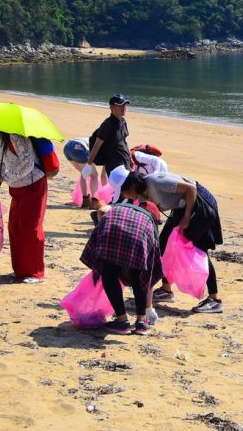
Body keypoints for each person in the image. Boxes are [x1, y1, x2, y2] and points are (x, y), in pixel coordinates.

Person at [80, 172, 162, 335]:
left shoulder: (121, 207)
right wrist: (149, 307)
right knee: (140, 276)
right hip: (138, 237)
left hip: (113, 230)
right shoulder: (148, 219)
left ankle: (122, 320)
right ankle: (141, 322)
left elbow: (103, 210)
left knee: (109, 273)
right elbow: (150, 274)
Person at [134, 171, 224, 313]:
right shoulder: (140, 192)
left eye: (125, 192)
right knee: (161, 244)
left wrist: (187, 218)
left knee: (200, 249)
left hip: (200, 204)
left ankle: (214, 299)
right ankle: (166, 290)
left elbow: (191, 189)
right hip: (181, 208)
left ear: (133, 186)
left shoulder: (157, 182)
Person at [0, 132, 59, 283]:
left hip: (34, 185)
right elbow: (1, 162)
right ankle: (20, 271)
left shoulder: (16, 136)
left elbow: (28, 163)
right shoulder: (0, 137)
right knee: (15, 227)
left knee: (30, 229)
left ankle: (35, 273)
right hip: (17, 187)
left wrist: (4, 178)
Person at [86, 94, 132, 178]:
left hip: (125, 161)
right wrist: (88, 165)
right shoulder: (107, 125)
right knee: (122, 189)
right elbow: (97, 145)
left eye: (125, 105)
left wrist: (130, 158)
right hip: (114, 165)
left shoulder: (123, 122)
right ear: (112, 107)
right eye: (120, 105)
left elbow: (124, 142)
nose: (124, 107)